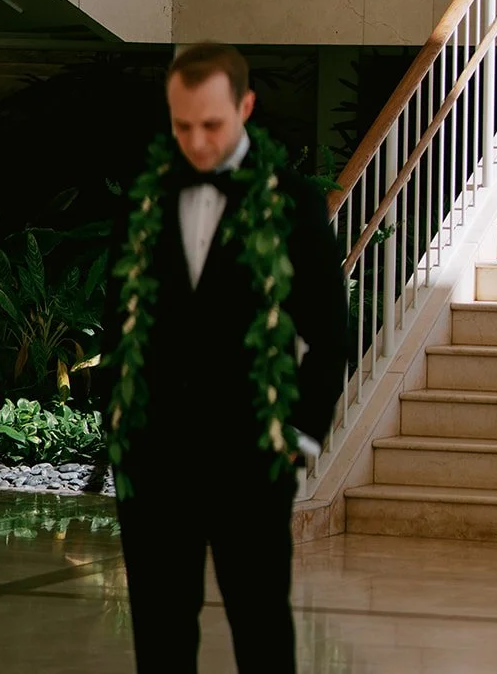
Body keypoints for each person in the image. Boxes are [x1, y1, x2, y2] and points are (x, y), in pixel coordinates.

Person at [103, 41, 348, 673]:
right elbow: (120, 318)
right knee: (159, 626)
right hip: (155, 455)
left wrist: (302, 434)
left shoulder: (291, 204)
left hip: (250, 455)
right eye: (182, 125)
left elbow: (327, 332)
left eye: (212, 124)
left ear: (245, 105)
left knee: (259, 622)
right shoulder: (144, 199)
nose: (198, 141)